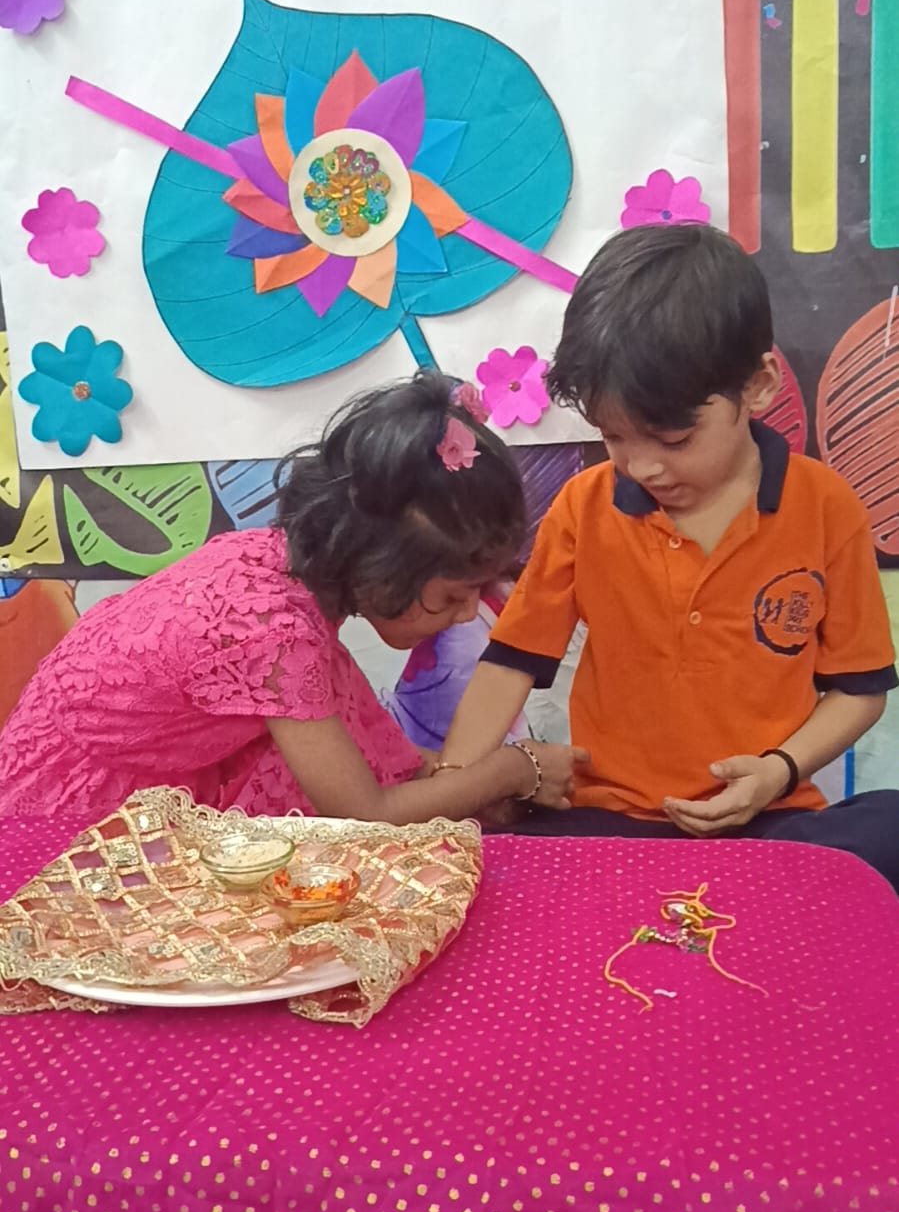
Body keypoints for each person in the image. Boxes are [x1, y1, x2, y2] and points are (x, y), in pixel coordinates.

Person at [439, 224, 899, 887]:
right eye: (614, 437)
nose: (643, 466)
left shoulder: (825, 507)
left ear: (759, 385)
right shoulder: (583, 507)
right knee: (504, 866)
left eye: (674, 439)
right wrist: (450, 795)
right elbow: (508, 665)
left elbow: (858, 691)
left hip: (768, 820)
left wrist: (777, 771)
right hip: (610, 821)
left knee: (887, 827)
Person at [0, 374, 582, 828]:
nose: (469, 613)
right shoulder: (275, 633)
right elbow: (365, 813)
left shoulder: (270, 563)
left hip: (112, 771)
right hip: (64, 818)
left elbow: (372, 755)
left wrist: (473, 779)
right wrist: (512, 769)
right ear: (381, 566)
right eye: (456, 595)